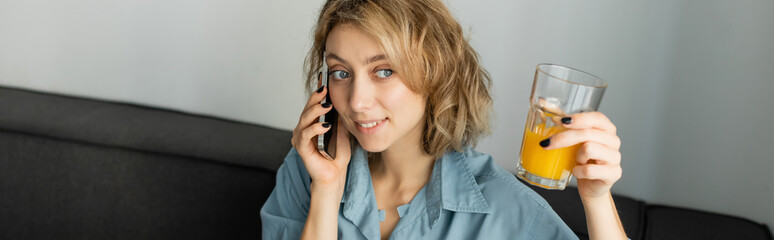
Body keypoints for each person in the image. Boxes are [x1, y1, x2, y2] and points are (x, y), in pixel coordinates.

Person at [261, 0, 626, 239]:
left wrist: (597, 199)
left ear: (436, 73)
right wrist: (325, 192)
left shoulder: (502, 208)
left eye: (384, 71)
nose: (356, 101)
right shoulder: (306, 170)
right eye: (340, 72)